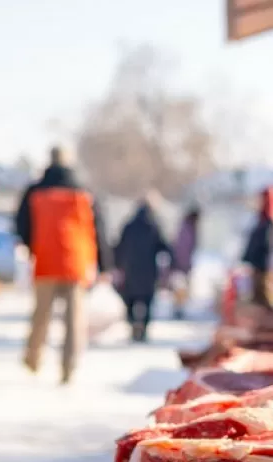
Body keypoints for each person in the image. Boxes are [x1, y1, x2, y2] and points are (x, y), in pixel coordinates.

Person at [15, 145, 110, 384]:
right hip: (76, 262)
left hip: (45, 259)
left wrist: (31, 247)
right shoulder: (84, 191)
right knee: (73, 319)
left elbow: (21, 224)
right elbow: (99, 230)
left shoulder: (35, 191)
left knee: (41, 314)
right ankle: (68, 367)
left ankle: (33, 359)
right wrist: (104, 264)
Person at [115, 196, 174, 343]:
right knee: (147, 302)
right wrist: (172, 262)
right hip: (148, 271)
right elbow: (164, 247)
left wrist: (117, 265)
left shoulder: (128, 225)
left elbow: (118, 247)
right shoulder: (154, 225)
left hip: (130, 270)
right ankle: (143, 330)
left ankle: (133, 326)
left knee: (130, 300)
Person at [241, 185, 273, 309]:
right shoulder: (263, 218)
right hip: (259, 266)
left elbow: (272, 246)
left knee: (267, 300)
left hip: (267, 268)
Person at [170, 206, 200, 319]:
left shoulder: (187, 228)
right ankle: (178, 309)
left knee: (181, 287)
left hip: (182, 263)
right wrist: (183, 264)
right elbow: (182, 248)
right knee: (180, 287)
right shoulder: (187, 229)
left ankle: (179, 308)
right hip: (181, 264)